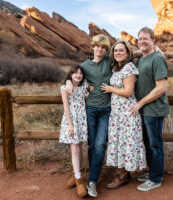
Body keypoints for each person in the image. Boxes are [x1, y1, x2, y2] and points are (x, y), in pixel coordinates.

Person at [66, 34, 112, 198]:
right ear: (93, 47)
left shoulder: (109, 61)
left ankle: (92, 181)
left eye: (103, 47)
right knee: (92, 145)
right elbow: (74, 76)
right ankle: (79, 173)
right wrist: (68, 83)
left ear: (106, 49)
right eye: (97, 46)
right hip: (90, 109)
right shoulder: (85, 66)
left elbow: (128, 55)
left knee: (100, 145)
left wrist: (156, 49)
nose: (100, 49)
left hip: (107, 109)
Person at [101, 40, 146, 189]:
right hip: (117, 113)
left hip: (127, 113)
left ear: (127, 53)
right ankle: (124, 175)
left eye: (121, 50)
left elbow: (128, 92)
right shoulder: (116, 69)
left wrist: (111, 89)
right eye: (115, 50)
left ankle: (121, 176)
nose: (118, 53)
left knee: (125, 144)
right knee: (119, 143)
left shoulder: (129, 68)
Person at [131, 27, 169, 192]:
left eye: (146, 38)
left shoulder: (157, 58)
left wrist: (140, 103)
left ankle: (155, 179)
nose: (142, 41)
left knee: (154, 145)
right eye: (140, 39)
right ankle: (153, 172)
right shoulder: (141, 59)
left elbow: (161, 88)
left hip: (154, 109)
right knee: (147, 143)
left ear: (153, 40)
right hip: (145, 111)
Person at [59, 65, 89, 197]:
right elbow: (66, 107)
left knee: (80, 147)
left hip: (82, 119)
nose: (78, 75)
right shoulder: (65, 88)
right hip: (71, 120)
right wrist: (70, 125)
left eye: (80, 73)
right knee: (74, 148)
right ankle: (78, 180)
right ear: (70, 74)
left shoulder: (84, 86)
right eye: (75, 73)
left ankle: (75, 173)